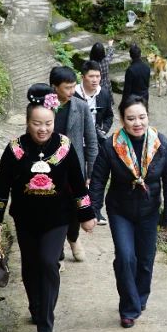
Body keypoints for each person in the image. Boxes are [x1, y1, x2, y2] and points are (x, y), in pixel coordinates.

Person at [0, 84, 96, 332]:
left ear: (54, 122)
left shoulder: (64, 147)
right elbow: (1, 185)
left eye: (48, 123)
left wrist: (86, 215)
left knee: (49, 263)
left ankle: (46, 321)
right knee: (30, 267)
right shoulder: (14, 150)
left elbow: (78, 183)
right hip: (25, 219)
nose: (43, 129)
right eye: (37, 123)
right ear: (27, 123)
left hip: (57, 218)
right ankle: (36, 307)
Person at [90, 95, 167, 328]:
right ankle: (128, 308)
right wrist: (92, 211)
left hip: (149, 211)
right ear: (122, 120)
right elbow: (98, 179)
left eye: (142, 117)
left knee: (146, 260)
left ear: (148, 117)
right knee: (126, 257)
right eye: (131, 118)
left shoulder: (161, 144)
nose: (137, 123)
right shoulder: (111, 145)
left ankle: (140, 297)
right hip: (121, 211)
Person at [50, 66, 99, 262]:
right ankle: (58, 252)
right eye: (67, 88)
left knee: (73, 207)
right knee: (53, 209)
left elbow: (92, 141)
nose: (72, 92)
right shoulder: (44, 106)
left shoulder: (81, 106)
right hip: (49, 168)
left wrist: (90, 172)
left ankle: (73, 238)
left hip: (73, 168)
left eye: (73, 87)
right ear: (54, 87)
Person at [75, 60, 114, 226]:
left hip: (95, 141)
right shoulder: (74, 94)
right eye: (91, 76)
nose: (95, 79)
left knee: (96, 177)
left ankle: (95, 211)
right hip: (76, 140)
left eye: (98, 76)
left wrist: (103, 130)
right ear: (83, 76)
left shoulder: (103, 93)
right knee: (77, 175)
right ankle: (77, 210)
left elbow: (109, 115)